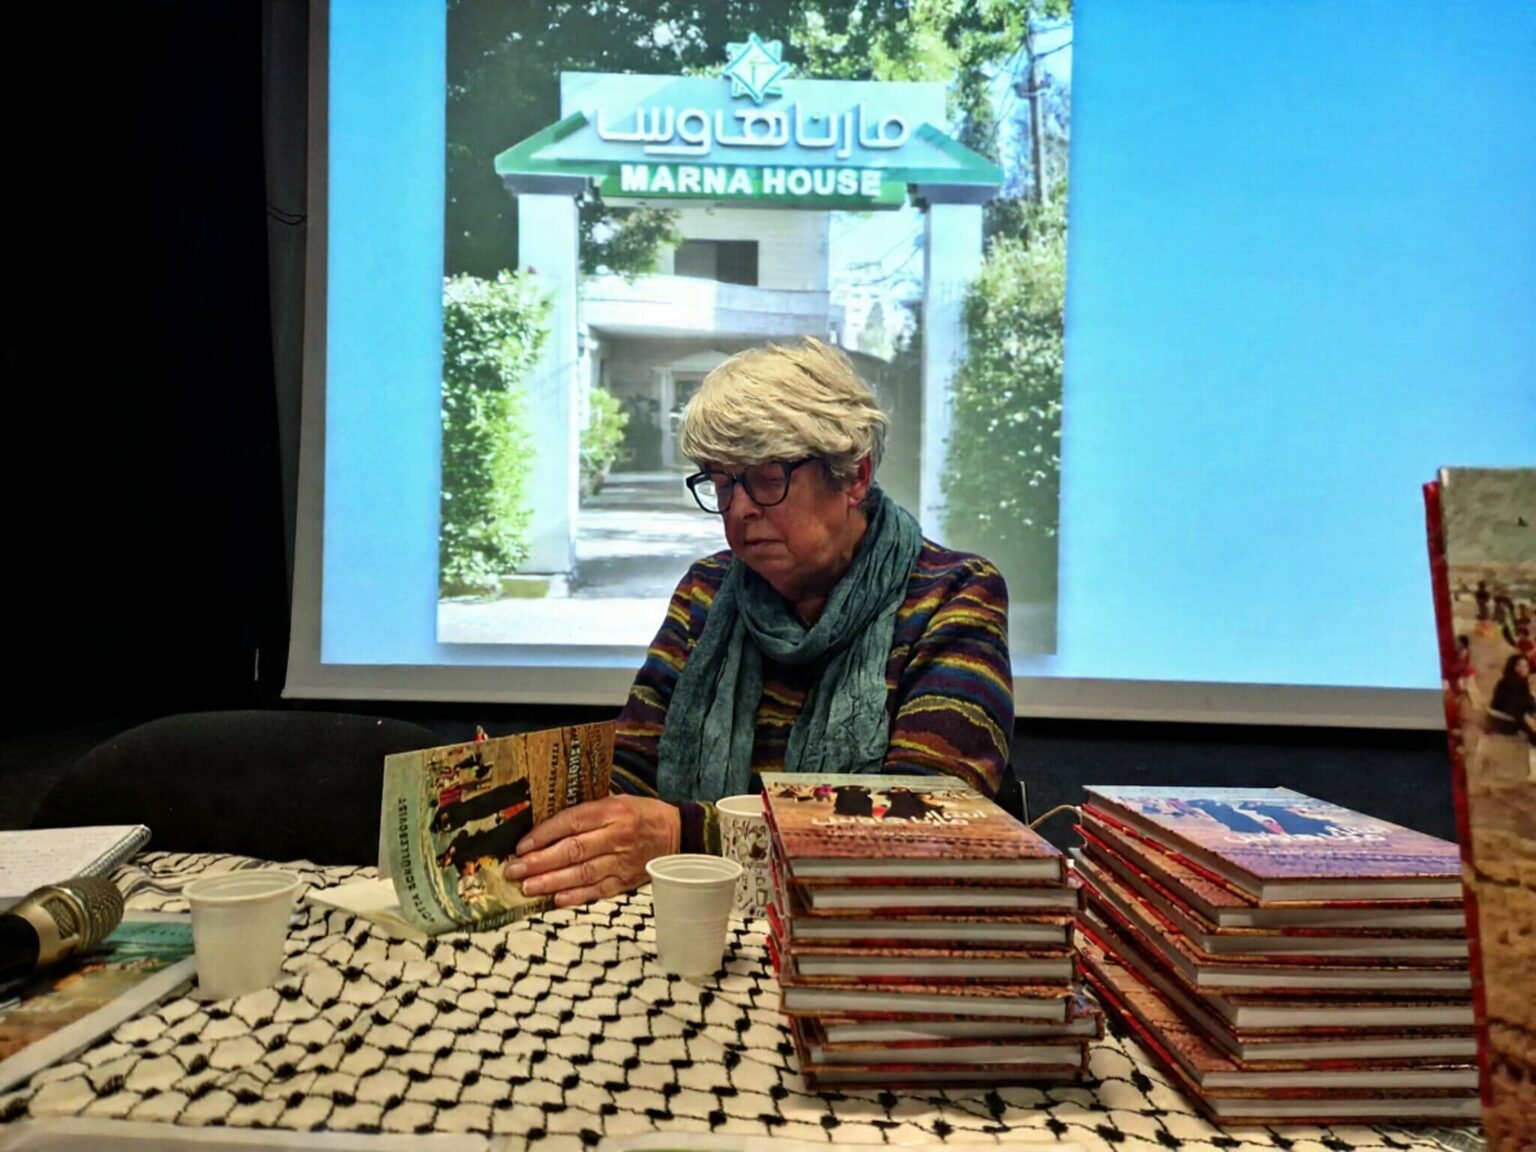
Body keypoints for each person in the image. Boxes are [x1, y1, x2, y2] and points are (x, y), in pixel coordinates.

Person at [505, 338, 1014, 907]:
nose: (740, 508)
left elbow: (926, 821)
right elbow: (635, 769)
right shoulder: (707, 590)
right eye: (721, 484)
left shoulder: (955, 594)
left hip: (848, 943)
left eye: (768, 478)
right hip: (691, 923)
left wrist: (682, 836)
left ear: (854, 476)